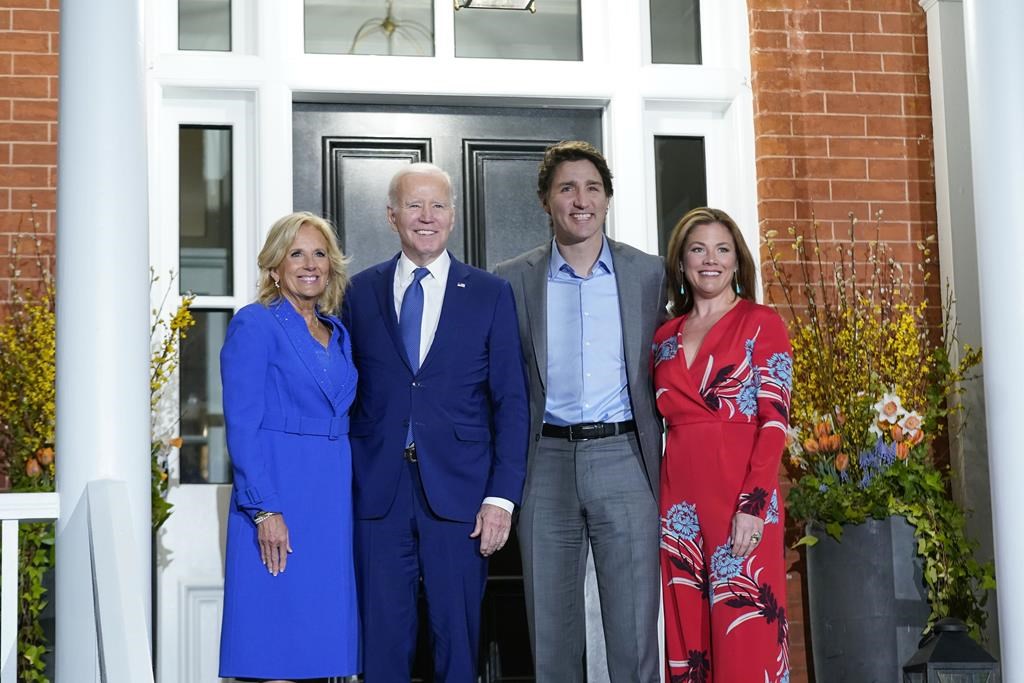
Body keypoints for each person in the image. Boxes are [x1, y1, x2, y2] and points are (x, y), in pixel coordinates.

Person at [341, 162, 529, 682]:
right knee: (380, 647)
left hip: (462, 496)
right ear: (392, 215)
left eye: (438, 205)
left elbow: (511, 402)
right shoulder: (358, 293)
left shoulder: (491, 293)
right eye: (414, 205)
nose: (427, 217)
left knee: (458, 644)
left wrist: (501, 497)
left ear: (453, 215)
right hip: (377, 494)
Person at [493, 140, 665, 683]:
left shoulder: (649, 274)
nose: (581, 199)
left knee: (635, 629)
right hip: (545, 461)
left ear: (608, 199)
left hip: (625, 457)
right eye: (566, 188)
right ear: (546, 201)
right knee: (551, 631)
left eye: (592, 187)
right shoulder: (511, 280)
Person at [652, 207, 792, 683]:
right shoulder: (663, 337)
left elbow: (775, 423)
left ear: (737, 261)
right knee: (689, 640)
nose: (709, 260)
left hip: (741, 499)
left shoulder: (762, 322)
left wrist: (753, 504)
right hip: (680, 508)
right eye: (698, 249)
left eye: (722, 249)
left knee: (744, 635)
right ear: (682, 262)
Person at [218, 211, 359, 682]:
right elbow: (241, 426)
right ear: (275, 268)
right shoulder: (254, 325)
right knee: (276, 643)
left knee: (320, 645)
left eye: (319, 253)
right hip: (279, 494)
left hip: (330, 498)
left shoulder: (337, 333)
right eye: (296, 253)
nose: (309, 264)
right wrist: (264, 509)